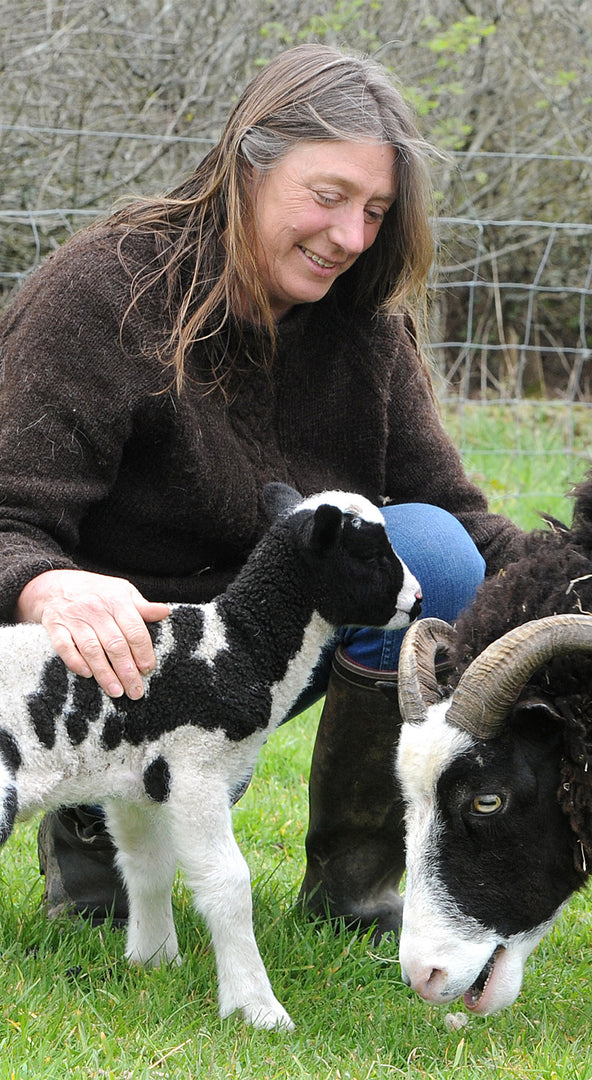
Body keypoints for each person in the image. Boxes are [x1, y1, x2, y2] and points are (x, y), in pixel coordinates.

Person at [0, 44, 523, 939]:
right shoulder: (102, 295)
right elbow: (8, 509)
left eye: (375, 211)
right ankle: (90, 829)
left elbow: (460, 518)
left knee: (435, 553)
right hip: (115, 655)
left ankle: (355, 886)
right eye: (328, 198)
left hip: (251, 646)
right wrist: (46, 585)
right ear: (248, 162)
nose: (352, 238)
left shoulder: (366, 331)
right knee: (109, 908)